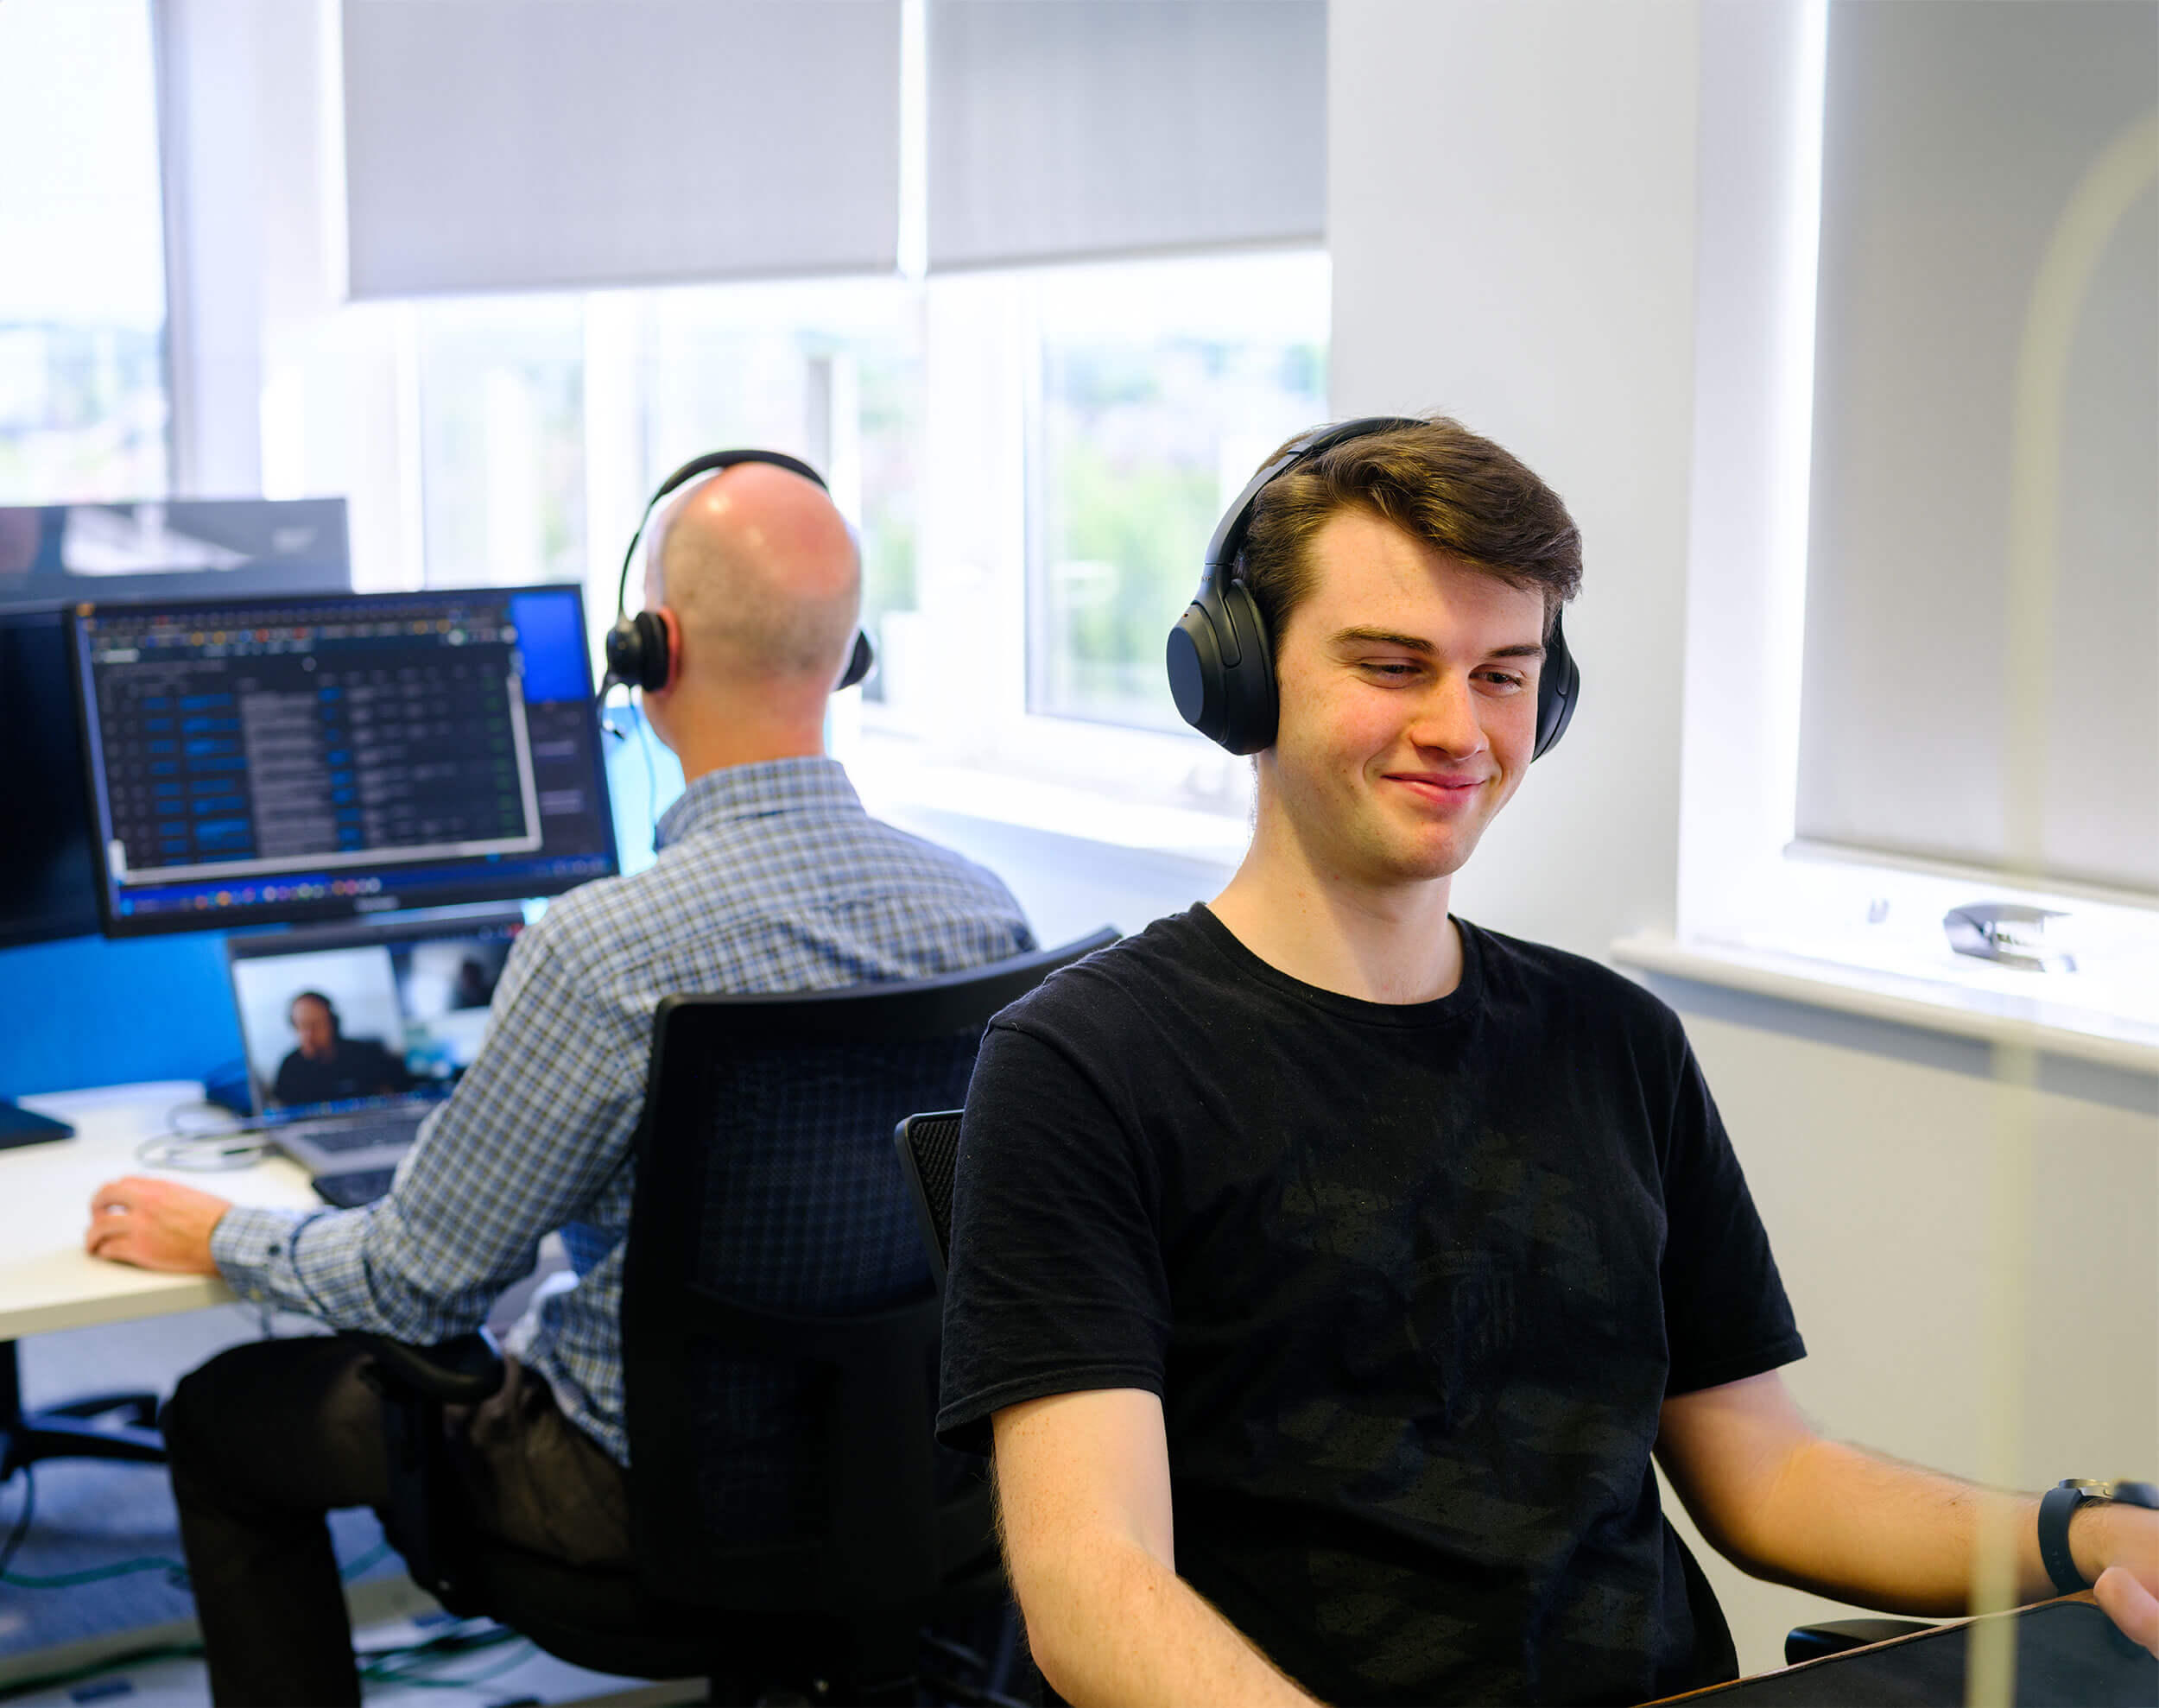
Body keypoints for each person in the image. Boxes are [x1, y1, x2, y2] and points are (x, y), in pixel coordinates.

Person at [935, 416, 2159, 1705]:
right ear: (1237, 677)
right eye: (1395, 664)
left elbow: (1768, 1474)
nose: (1458, 727)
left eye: (1503, 674)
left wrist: (2078, 1530)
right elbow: (1096, 1578)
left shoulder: (1615, 1042)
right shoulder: (1084, 1066)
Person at [84, 458, 1035, 1707]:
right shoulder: (988, 914)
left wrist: (224, 1229)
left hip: (632, 1509)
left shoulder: (605, 947)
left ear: (655, 649)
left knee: (222, 1419)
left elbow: (414, 1282)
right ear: (845, 655)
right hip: (910, 1484)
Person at [269, 990, 411, 1107]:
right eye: (301, 1026)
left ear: (333, 1024)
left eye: (315, 1025)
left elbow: (397, 1098)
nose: (308, 1035)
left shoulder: (365, 1056)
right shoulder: (289, 1067)